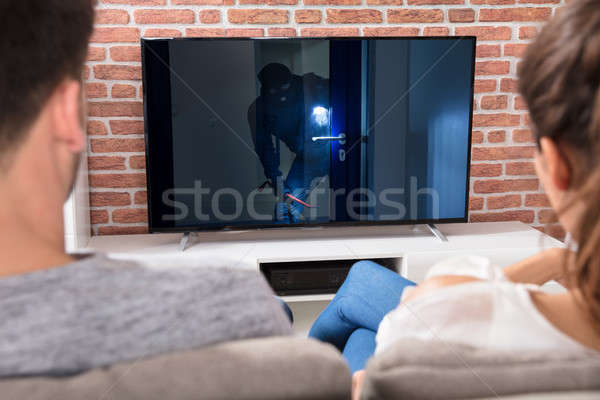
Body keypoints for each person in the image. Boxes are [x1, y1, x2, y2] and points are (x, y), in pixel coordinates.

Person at [309, 1, 600, 397]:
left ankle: (299, 371)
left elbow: (444, 308)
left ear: (556, 163)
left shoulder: (445, 311)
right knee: (362, 324)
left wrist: (552, 261)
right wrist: (558, 259)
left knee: (361, 283)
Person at [0, 0, 292, 377]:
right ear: (66, 113)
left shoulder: (311, 87)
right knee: (280, 309)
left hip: (311, 154)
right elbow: (263, 147)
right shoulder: (241, 306)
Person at [247, 63, 330, 223]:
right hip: (306, 160)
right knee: (285, 210)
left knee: (356, 195)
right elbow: (265, 148)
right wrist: (276, 179)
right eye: (274, 91)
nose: (282, 97)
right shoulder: (258, 110)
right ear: (265, 91)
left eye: (285, 87)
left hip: (339, 151)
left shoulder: (313, 86)